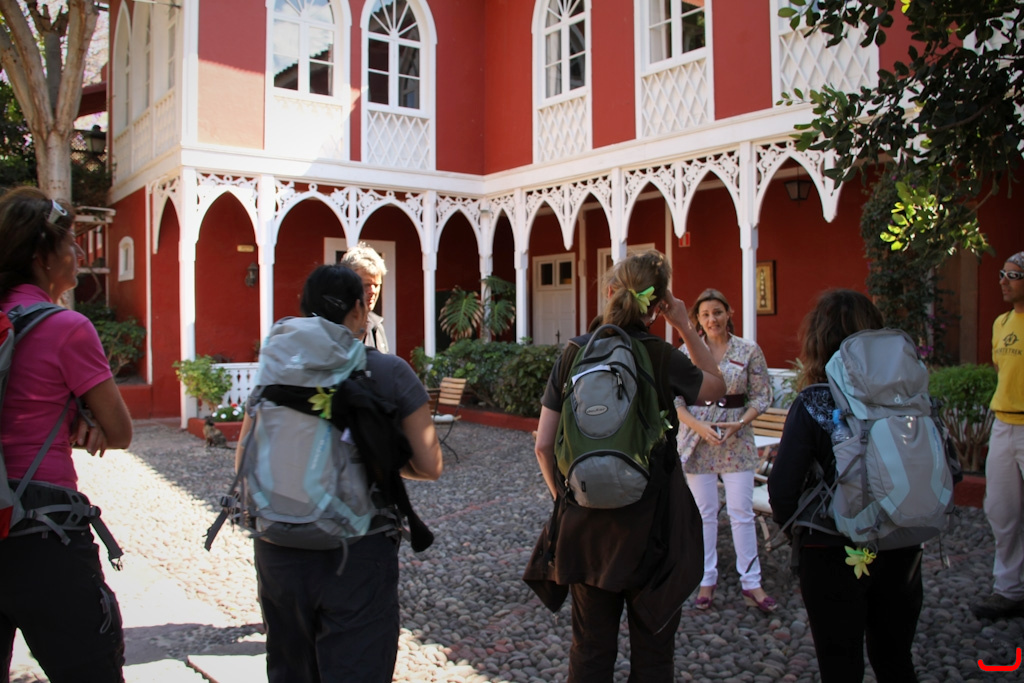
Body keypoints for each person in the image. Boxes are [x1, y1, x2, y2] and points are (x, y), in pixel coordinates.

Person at [236, 264, 442, 682]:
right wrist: (377, 454)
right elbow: (429, 465)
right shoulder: (389, 372)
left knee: (291, 670)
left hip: (278, 545)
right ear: (360, 310)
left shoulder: (275, 367)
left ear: (304, 307)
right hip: (356, 551)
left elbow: (244, 455)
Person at [531, 250, 725, 682]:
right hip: (653, 528)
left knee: (590, 653)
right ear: (658, 305)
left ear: (609, 292)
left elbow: (543, 445)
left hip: (587, 529)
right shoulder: (659, 354)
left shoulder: (575, 352)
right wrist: (683, 324)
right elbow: (716, 387)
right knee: (653, 656)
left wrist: (567, 500)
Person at [0, 186, 133, 680]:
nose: (78, 253)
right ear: (42, 256)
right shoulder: (66, 328)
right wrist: (85, 420)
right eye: (70, 243)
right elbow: (120, 431)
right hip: (42, 529)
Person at [768, 289, 922, 682]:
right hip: (903, 543)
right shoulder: (910, 400)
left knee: (840, 666)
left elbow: (782, 491)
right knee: (896, 659)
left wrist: (798, 534)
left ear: (817, 341)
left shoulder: (815, 402)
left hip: (832, 550)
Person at [674, 289, 775, 612]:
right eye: (705, 314)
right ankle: (706, 579)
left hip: (736, 438)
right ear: (697, 319)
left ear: (729, 313)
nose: (712, 319)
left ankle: (752, 582)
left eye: (717, 312)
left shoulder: (748, 350)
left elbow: (761, 395)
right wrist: (697, 425)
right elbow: (675, 399)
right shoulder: (687, 351)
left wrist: (740, 422)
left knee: (741, 512)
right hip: (697, 439)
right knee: (704, 513)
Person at [971, 250, 1024, 620]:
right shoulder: (1001, 323)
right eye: (1002, 274)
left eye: (1013, 275)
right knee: (1002, 511)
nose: (1004, 281)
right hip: (1004, 425)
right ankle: (1009, 590)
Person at [341, 242, 389, 353]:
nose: (372, 291)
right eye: (366, 285)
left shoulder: (377, 326)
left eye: (376, 285)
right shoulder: (333, 327)